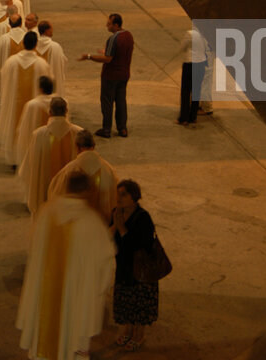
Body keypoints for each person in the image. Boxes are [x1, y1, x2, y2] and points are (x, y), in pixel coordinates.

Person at [16, 171, 115, 360]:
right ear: (86, 191)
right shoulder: (91, 222)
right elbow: (105, 262)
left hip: (45, 295)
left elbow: (34, 249)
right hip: (76, 299)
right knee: (73, 334)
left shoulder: (46, 212)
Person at [109, 179, 159, 352]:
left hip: (140, 268)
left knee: (139, 302)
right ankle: (128, 330)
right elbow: (109, 236)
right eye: (118, 194)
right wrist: (115, 225)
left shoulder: (143, 217)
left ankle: (139, 334)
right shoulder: (116, 212)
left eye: (123, 194)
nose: (119, 198)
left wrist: (123, 229)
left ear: (134, 196)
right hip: (123, 266)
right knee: (127, 300)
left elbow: (143, 245)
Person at [0, 33, 51, 166]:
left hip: (14, 105)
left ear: (23, 44)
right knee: (31, 128)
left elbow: (3, 79)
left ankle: (14, 159)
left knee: (14, 128)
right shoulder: (41, 64)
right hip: (34, 110)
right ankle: (30, 159)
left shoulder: (11, 62)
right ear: (36, 45)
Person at [19, 97, 80, 215]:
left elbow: (28, 167)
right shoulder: (78, 133)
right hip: (70, 195)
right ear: (66, 111)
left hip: (45, 194)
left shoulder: (39, 135)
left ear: (50, 112)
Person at [79, 13, 134, 138]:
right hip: (124, 74)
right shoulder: (128, 35)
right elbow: (121, 52)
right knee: (121, 101)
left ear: (116, 25)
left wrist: (89, 57)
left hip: (111, 76)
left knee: (107, 103)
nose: (106, 25)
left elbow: (108, 59)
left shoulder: (113, 39)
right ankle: (122, 128)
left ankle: (106, 129)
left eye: (109, 24)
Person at [47, 130, 119, 221]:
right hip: (102, 223)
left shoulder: (69, 170)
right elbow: (115, 201)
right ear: (94, 146)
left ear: (77, 147)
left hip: (75, 224)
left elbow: (55, 197)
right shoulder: (109, 170)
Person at [16, 76, 57, 163]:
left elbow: (24, 128)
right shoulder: (61, 102)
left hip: (37, 144)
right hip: (55, 142)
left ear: (40, 89)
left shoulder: (32, 105)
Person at [177, 26, 209, 126]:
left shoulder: (189, 34)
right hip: (201, 65)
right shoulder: (206, 34)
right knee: (196, 91)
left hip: (189, 64)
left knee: (186, 91)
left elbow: (182, 48)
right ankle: (193, 117)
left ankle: (183, 118)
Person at [35, 21, 68, 97]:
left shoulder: (34, 45)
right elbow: (62, 62)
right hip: (52, 82)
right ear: (47, 31)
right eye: (51, 29)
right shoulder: (55, 46)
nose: (52, 31)